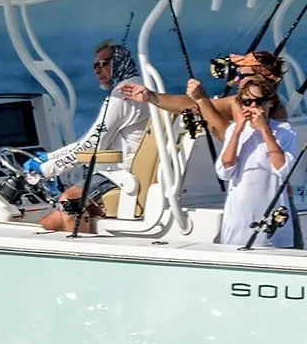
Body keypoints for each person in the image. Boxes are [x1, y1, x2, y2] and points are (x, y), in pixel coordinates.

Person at [31, 39, 150, 233]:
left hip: (119, 175)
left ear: (120, 62)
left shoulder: (122, 95)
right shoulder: (139, 87)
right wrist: (50, 157)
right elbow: (88, 141)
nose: (97, 70)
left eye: (104, 63)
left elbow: (91, 147)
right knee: (49, 223)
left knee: (69, 201)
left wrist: (45, 170)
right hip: (118, 171)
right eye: (95, 65)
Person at [119, 49, 289, 139]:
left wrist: (201, 99)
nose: (237, 81)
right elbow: (193, 106)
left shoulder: (247, 105)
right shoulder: (278, 103)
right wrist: (151, 97)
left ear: (259, 77)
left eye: (241, 76)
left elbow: (227, 138)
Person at [215, 76, 299, 248]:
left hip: (273, 220)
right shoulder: (234, 131)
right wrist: (238, 130)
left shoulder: (284, 132)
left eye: (259, 102)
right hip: (238, 221)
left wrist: (264, 129)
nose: (253, 107)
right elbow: (225, 171)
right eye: (247, 102)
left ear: (269, 103)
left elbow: (282, 168)